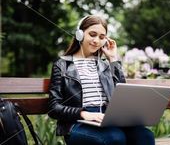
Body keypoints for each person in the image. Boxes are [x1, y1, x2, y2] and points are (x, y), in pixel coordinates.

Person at [48, 15, 155, 145]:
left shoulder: (104, 65)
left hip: (107, 119)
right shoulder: (62, 65)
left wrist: (113, 59)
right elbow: (54, 107)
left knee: (145, 135)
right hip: (78, 123)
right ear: (80, 34)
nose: (96, 41)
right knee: (114, 138)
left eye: (101, 37)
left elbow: (122, 94)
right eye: (92, 34)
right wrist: (84, 114)